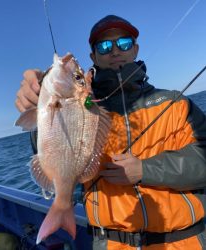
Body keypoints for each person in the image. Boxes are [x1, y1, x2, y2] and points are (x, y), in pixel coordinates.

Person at [15, 15, 206, 250]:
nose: (115, 51)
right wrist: (38, 99)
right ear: (93, 56)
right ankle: (60, 210)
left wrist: (145, 170)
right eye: (104, 46)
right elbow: (52, 146)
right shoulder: (91, 109)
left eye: (123, 43)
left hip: (187, 242)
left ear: (135, 49)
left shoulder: (176, 103)